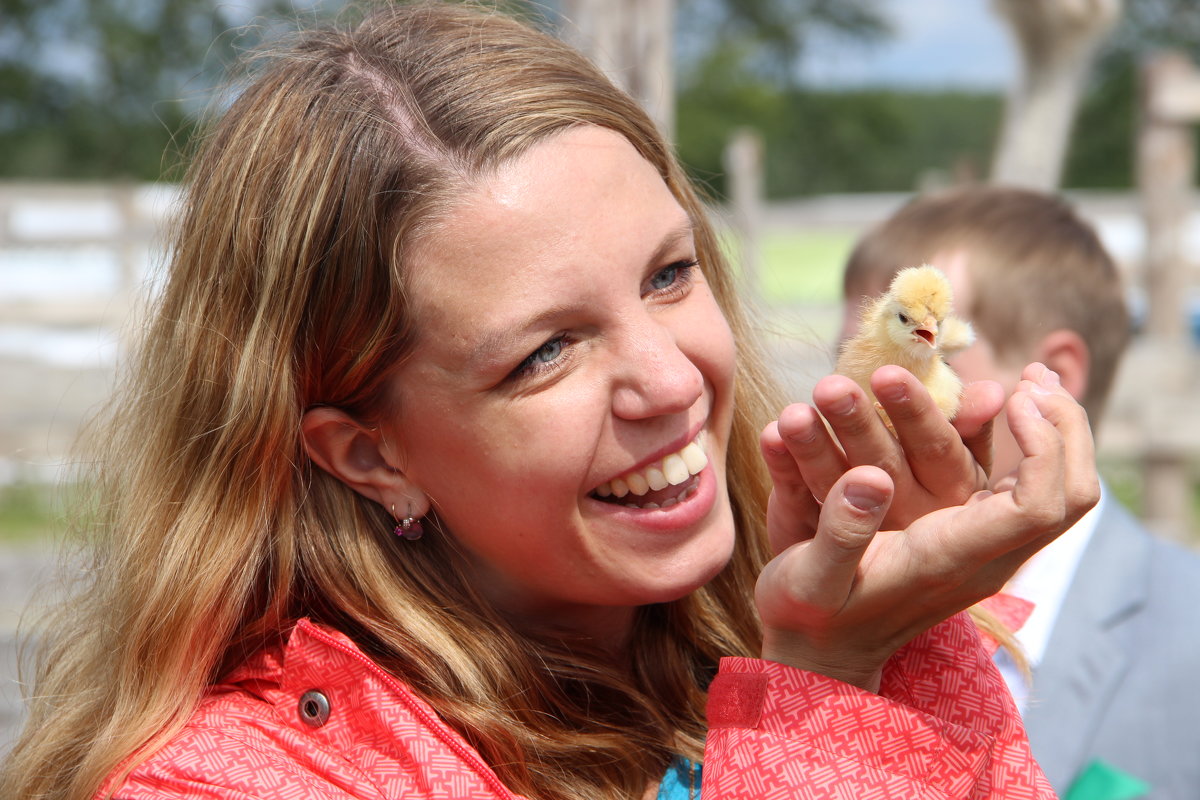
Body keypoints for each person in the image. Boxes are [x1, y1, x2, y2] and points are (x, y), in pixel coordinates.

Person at [0, 6, 1098, 800]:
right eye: (546, 351)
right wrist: (826, 691)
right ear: (369, 454)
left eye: (670, 275)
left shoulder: (774, 624)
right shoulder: (226, 783)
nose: (671, 380)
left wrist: (899, 636)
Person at [840, 184, 1200, 799]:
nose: (862, 402)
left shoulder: (1186, 632)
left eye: (915, 363)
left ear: (1055, 376)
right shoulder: (815, 618)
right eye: (857, 359)